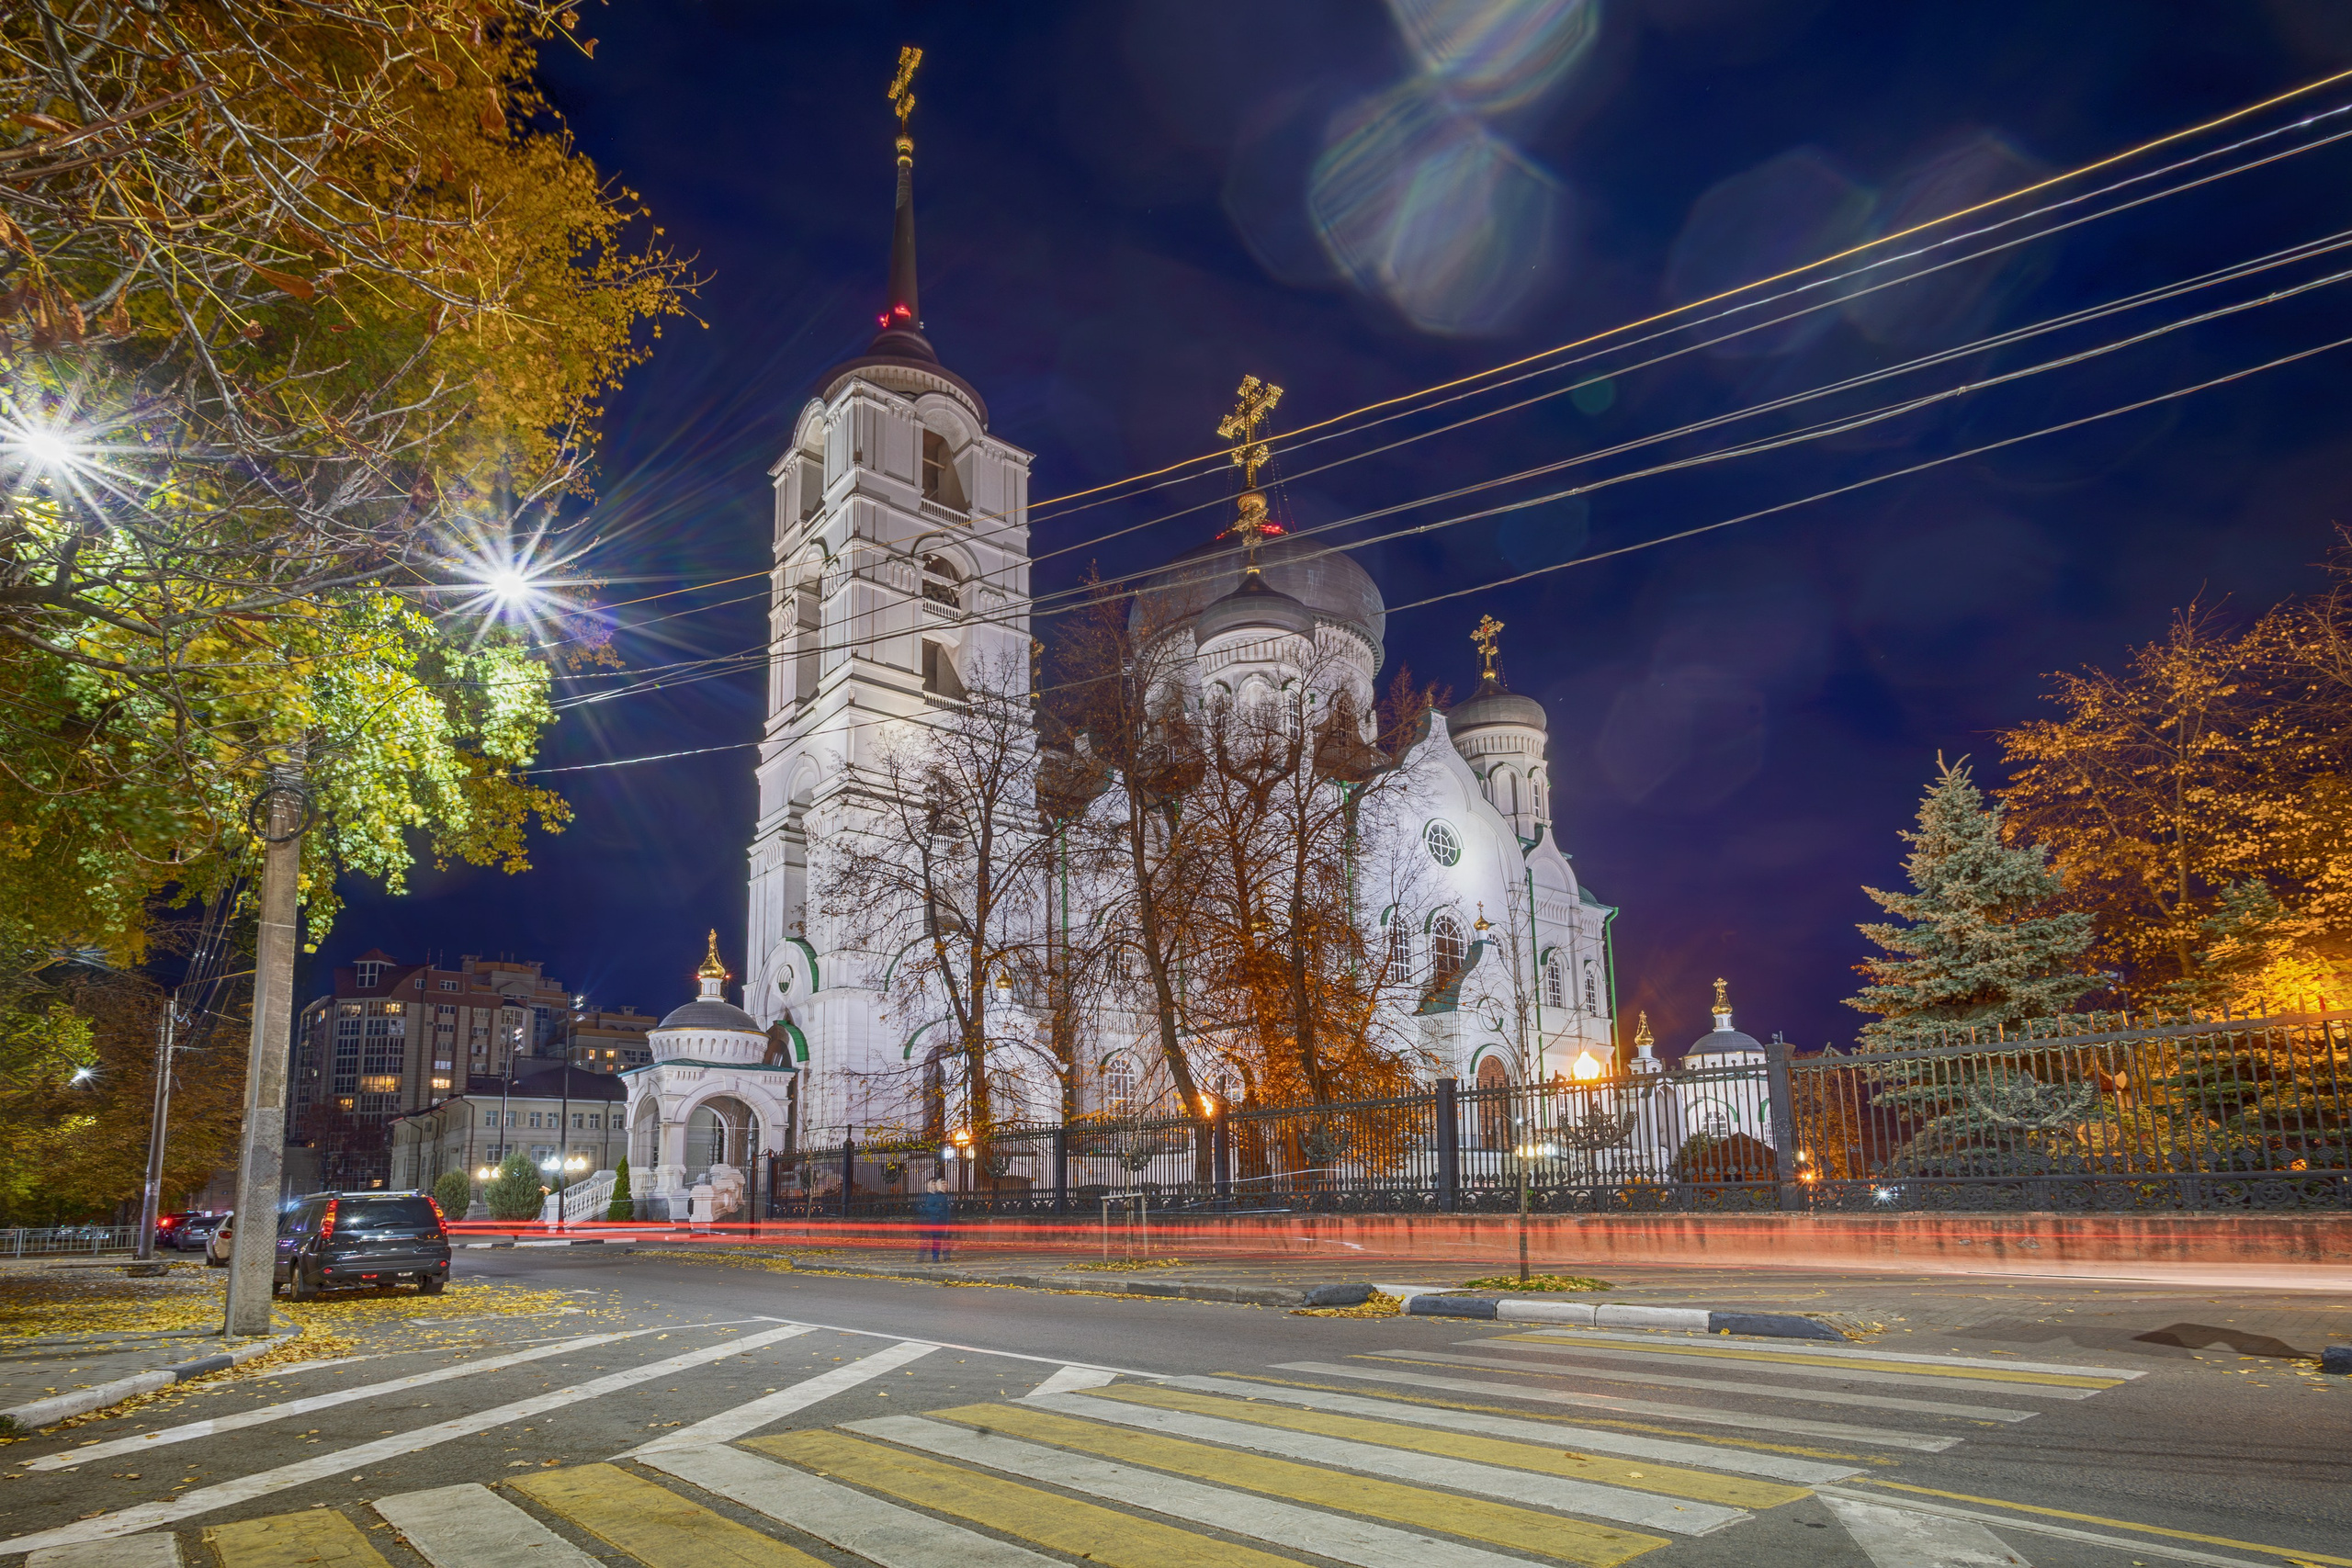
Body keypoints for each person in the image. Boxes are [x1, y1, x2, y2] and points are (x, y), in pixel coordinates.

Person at [915, 1175, 953, 1264]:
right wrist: (930, 1211)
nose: (935, 1186)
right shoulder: (925, 1196)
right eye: (933, 1184)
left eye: (936, 1184)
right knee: (927, 1240)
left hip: (938, 1221)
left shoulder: (941, 1196)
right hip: (927, 1221)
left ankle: (942, 1257)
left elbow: (946, 1210)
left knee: (941, 1240)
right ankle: (924, 1257)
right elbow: (921, 1207)